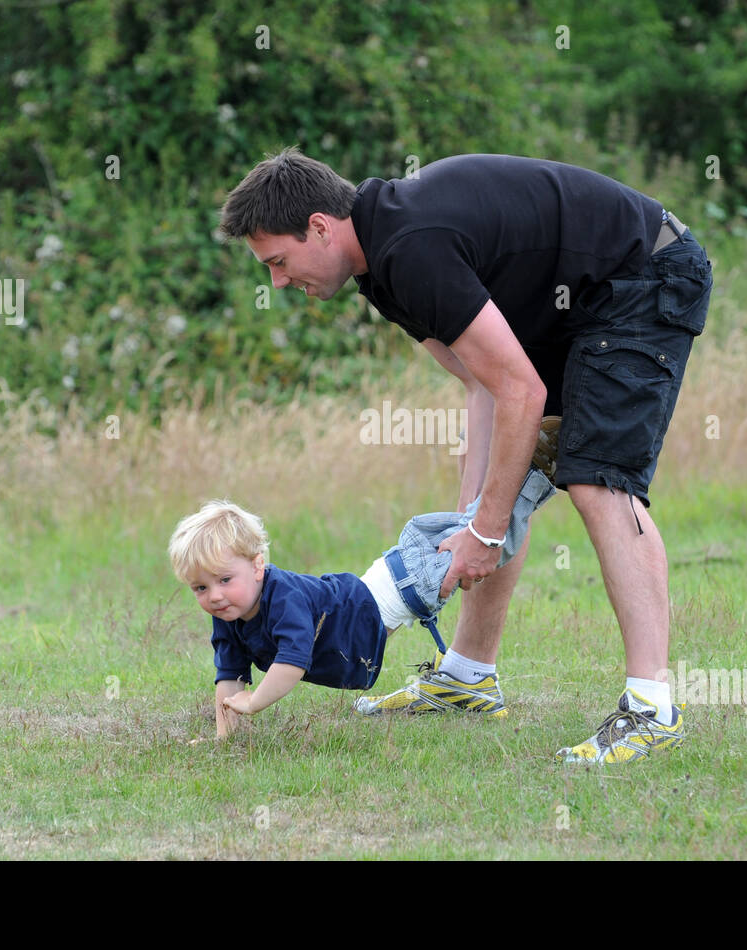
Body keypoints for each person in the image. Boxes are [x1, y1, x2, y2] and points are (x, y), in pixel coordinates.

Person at [219, 149, 712, 764]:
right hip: (581, 305)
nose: (279, 282)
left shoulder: (410, 248)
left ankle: (652, 708)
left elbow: (521, 392)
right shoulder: (379, 267)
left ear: (319, 227)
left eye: (279, 262)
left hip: (643, 277)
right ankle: (467, 678)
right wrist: (469, 520)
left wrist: (487, 528)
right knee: (506, 481)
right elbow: (484, 383)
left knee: (597, 481)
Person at [169, 465, 555, 738]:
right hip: (389, 584)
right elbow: (229, 678)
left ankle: (529, 475)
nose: (214, 596)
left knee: (482, 540)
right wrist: (225, 738)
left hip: (403, 585)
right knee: (468, 531)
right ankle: (518, 474)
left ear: (258, 566)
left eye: (223, 580)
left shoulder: (281, 596)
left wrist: (254, 703)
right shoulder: (230, 615)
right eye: (200, 588)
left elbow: (291, 663)